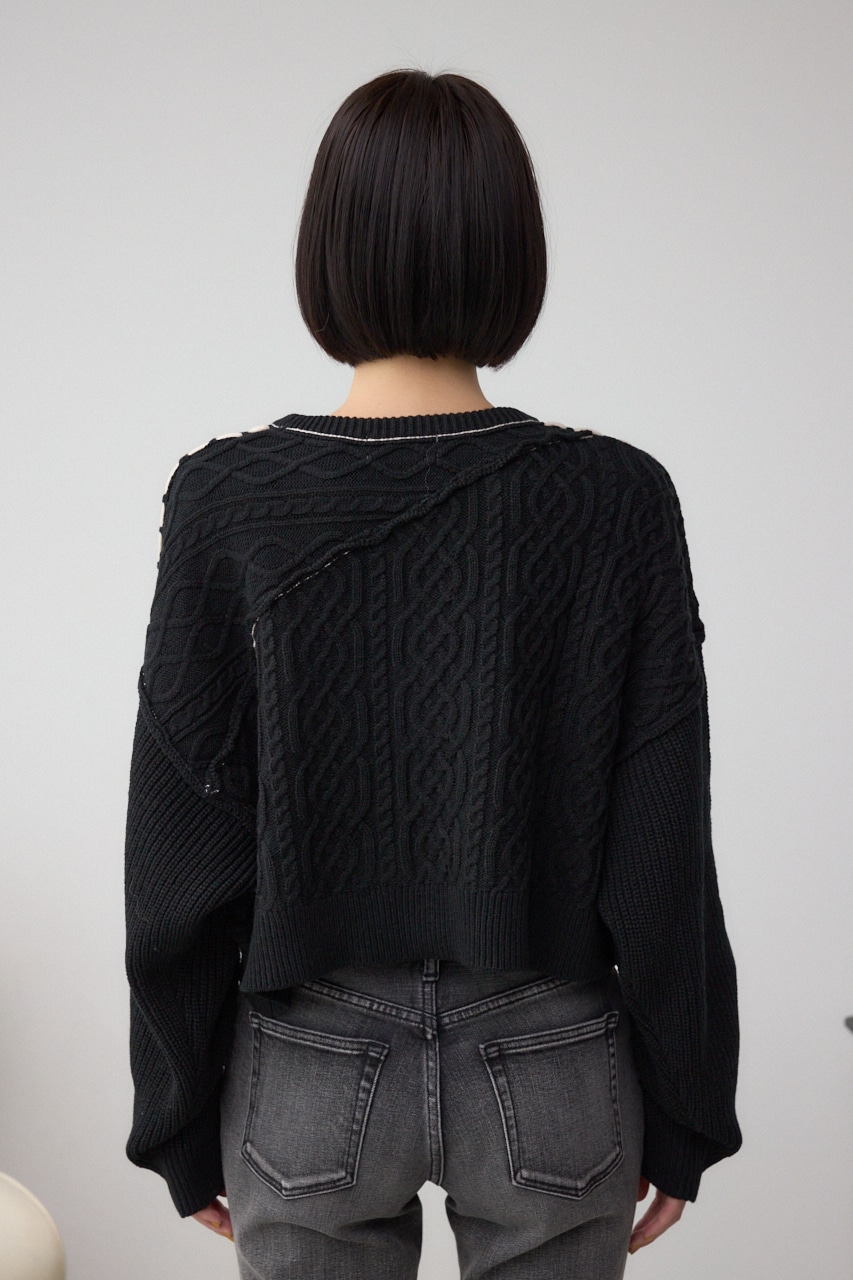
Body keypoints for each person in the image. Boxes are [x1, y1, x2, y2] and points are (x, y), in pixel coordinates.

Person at [124, 67, 742, 1278]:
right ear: (514, 252)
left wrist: (178, 1113)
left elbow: (178, 849)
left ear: (326, 249)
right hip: (551, 1052)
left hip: (307, 1060)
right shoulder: (615, 498)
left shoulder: (227, 500)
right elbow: (662, 837)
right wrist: (687, 1104)